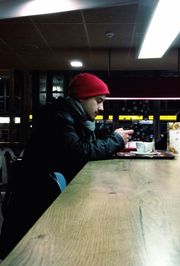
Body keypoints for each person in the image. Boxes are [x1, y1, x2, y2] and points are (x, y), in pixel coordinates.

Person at [0, 72, 133, 259]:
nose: (102, 107)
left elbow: (82, 148)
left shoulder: (74, 117)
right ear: (83, 97)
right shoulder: (58, 116)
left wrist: (112, 140)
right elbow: (79, 151)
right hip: (35, 200)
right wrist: (115, 140)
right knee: (27, 257)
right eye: (99, 100)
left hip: (47, 191)